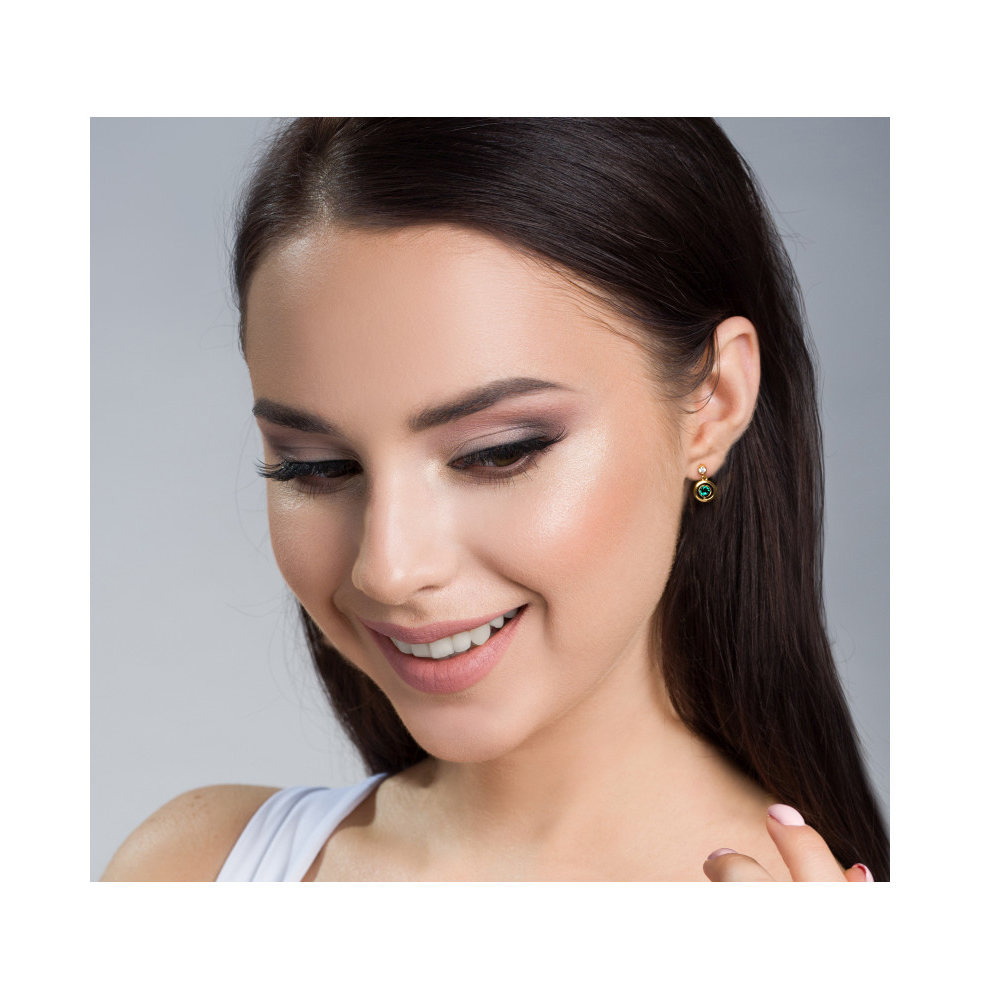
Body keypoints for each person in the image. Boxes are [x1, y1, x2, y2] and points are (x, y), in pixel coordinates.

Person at [102, 118, 889, 881]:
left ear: (713, 403)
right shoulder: (191, 873)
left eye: (498, 453)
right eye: (318, 468)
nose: (388, 570)